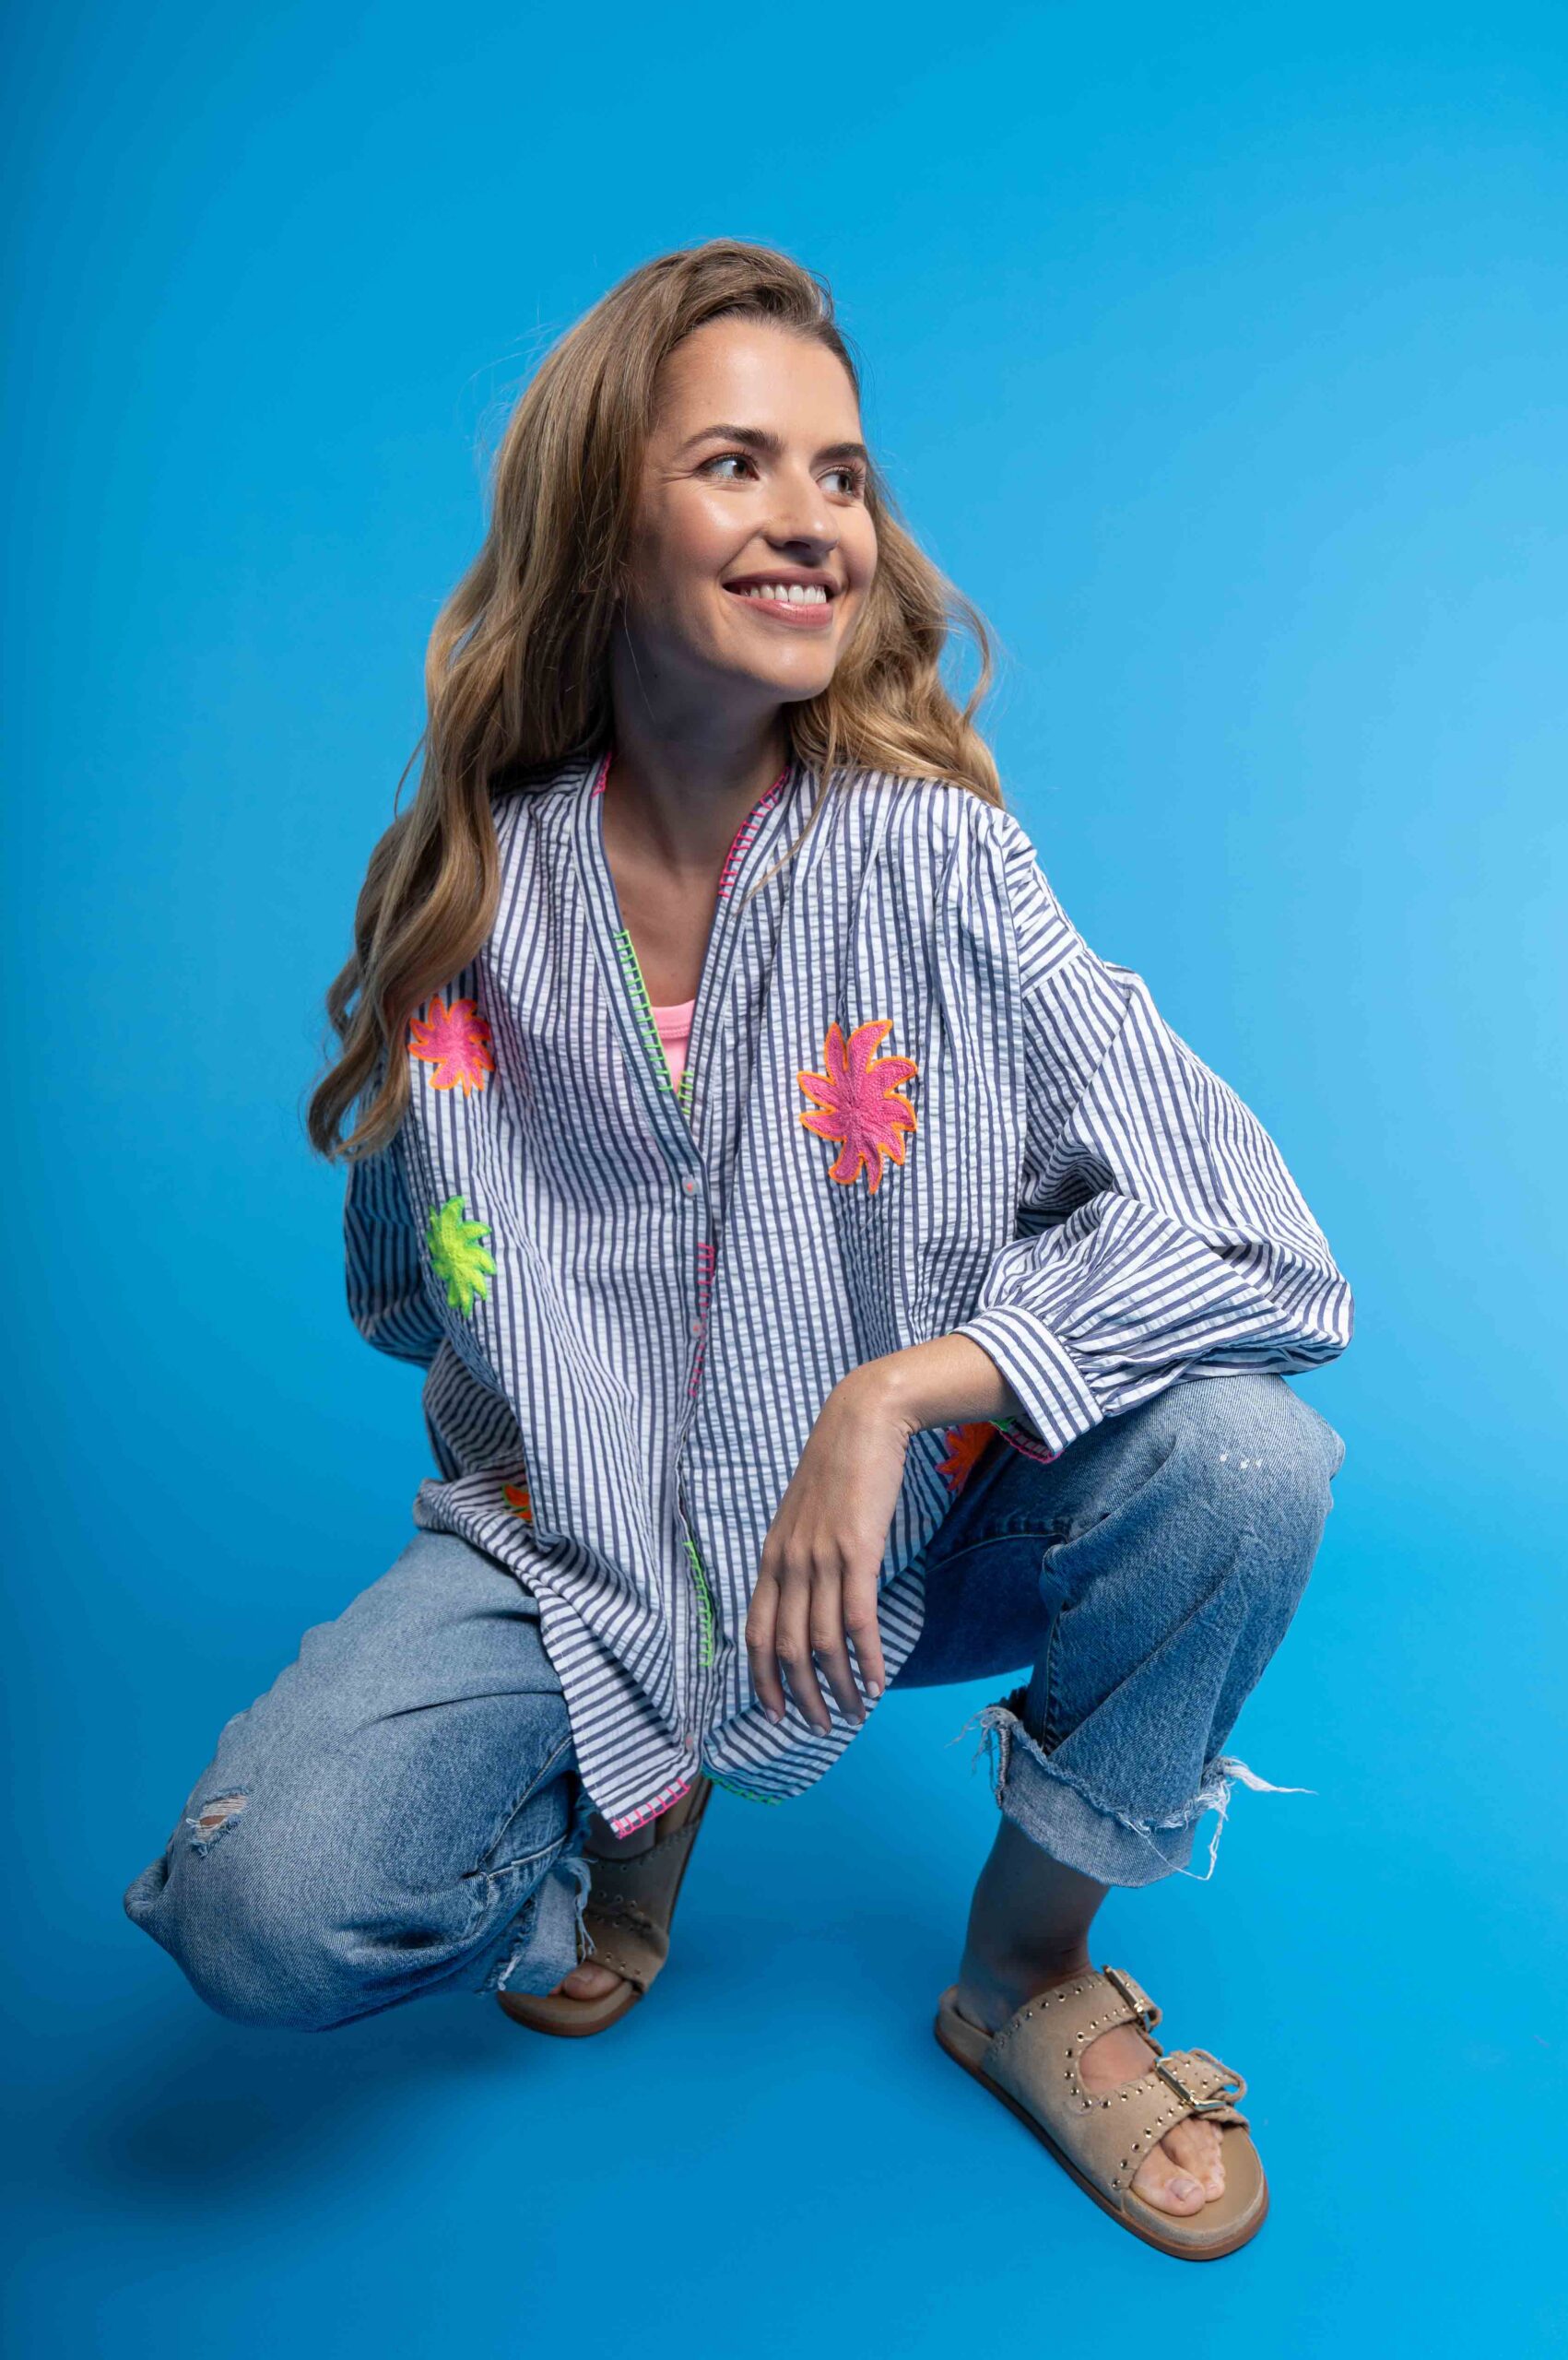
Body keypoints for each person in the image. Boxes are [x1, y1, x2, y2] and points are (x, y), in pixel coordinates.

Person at [123, 239, 1353, 2262]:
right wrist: (621, 1468)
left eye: (840, 473)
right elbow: (408, 1285)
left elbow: (1257, 1237)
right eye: (735, 464)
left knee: (1244, 1457)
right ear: (603, 529)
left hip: (918, 1537)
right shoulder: (467, 891)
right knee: (263, 1915)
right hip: (588, 1549)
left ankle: (1026, 1968)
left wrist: (891, 1392)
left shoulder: (939, 860)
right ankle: (637, 1775)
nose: (811, 520)